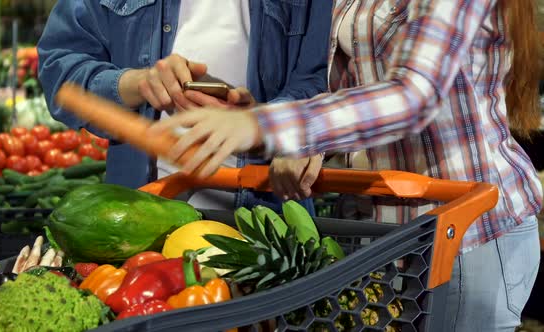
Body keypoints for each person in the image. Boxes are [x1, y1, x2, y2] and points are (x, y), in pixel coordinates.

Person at [150, 0, 543, 330]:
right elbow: (354, 97)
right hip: (383, 238)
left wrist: (267, 127)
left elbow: (414, 96)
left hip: (468, 235)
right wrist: (268, 123)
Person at [37, 0, 332, 213]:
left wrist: (265, 121)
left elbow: (321, 75)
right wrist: (139, 83)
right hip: (142, 220)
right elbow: (59, 72)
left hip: (270, 220)